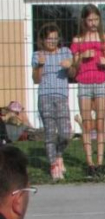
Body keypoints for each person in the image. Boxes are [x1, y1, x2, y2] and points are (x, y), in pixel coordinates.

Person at [70, 4, 105, 178]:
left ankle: (100, 162)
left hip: (100, 81)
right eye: (90, 20)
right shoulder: (78, 40)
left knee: (100, 122)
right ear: (84, 21)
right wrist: (82, 56)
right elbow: (74, 66)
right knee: (87, 122)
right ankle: (90, 163)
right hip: (84, 82)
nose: (93, 23)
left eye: (96, 19)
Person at [32, 24, 73, 181]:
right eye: (49, 38)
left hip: (61, 96)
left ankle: (58, 155)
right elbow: (36, 79)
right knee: (50, 132)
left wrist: (70, 67)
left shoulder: (65, 52)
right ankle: (53, 166)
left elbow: (73, 72)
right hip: (45, 96)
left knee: (65, 133)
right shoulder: (37, 54)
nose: (52, 41)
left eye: (55, 38)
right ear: (43, 40)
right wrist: (41, 65)